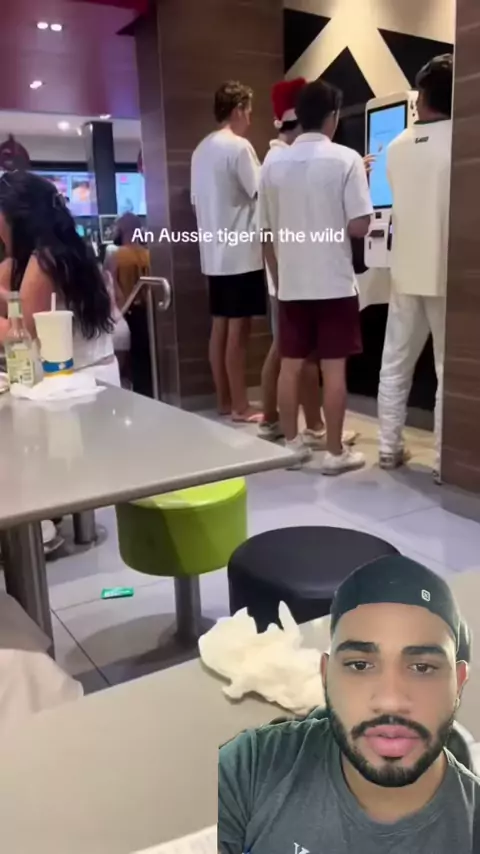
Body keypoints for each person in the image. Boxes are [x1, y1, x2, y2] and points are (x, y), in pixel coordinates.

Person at [219, 554, 480, 854]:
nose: (390, 701)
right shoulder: (252, 767)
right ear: (326, 676)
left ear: (459, 682)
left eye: (422, 668)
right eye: (360, 665)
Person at [258, 80, 372, 474]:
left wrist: (279, 281)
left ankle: (292, 446)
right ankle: (335, 453)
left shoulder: (273, 166)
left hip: (292, 284)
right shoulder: (346, 160)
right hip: (334, 283)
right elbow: (359, 225)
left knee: (290, 365)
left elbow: (265, 234)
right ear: (332, 117)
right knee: (333, 368)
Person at [377, 54, 453, 480]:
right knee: (448, 372)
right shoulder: (464, 140)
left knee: (395, 363)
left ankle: (388, 448)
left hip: (404, 267)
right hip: (446, 270)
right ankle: (444, 463)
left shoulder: (396, 146)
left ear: (422, 95)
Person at [191, 80, 267, 422]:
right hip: (240, 255)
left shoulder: (200, 151)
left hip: (213, 256)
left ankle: (224, 401)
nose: (250, 118)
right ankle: (240, 406)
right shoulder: (238, 147)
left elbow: (197, 202)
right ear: (238, 109)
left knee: (219, 328)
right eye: (248, 110)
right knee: (239, 332)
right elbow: (261, 193)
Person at [0, 171, 120, 387]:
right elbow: (19, 302)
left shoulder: (45, 259)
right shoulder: (67, 249)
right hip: (91, 375)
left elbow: (18, 335)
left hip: (78, 381)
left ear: (15, 217)